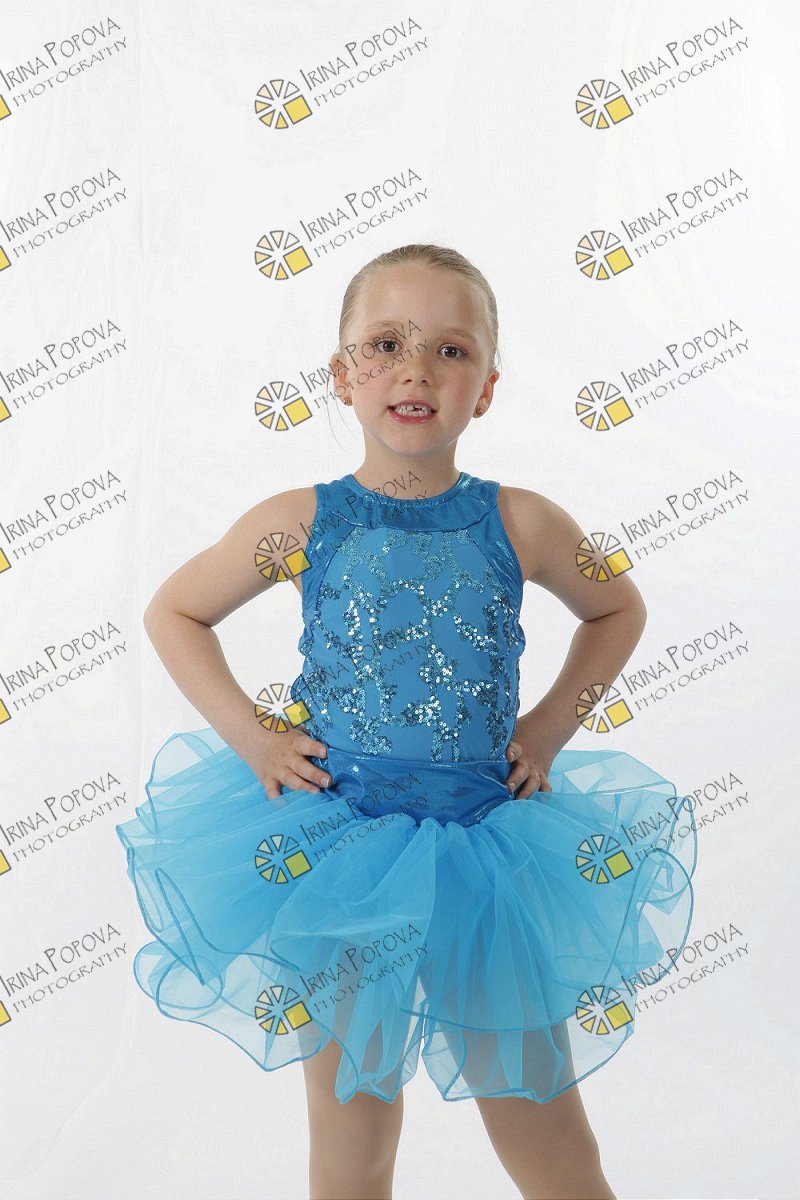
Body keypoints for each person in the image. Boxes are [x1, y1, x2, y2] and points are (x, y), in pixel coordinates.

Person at [116, 243, 696, 1200]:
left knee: (546, 1130)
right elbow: (176, 611)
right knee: (353, 1132)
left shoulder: (522, 522)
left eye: (451, 350)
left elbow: (616, 608)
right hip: (343, 856)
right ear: (342, 376)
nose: (416, 369)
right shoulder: (302, 520)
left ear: (488, 388)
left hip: (487, 854)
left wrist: (547, 728)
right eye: (386, 344)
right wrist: (255, 738)